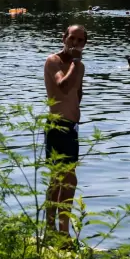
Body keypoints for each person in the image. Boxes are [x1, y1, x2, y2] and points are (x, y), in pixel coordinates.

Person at [43, 24, 88, 238]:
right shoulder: (53, 61)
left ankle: (56, 231)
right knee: (64, 180)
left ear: (85, 44)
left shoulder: (80, 67)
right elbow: (63, 85)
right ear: (64, 38)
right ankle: (58, 232)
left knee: (64, 180)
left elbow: (77, 94)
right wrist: (75, 63)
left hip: (71, 128)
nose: (75, 43)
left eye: (80, 40)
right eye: (72, 38)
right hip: (57, 126)